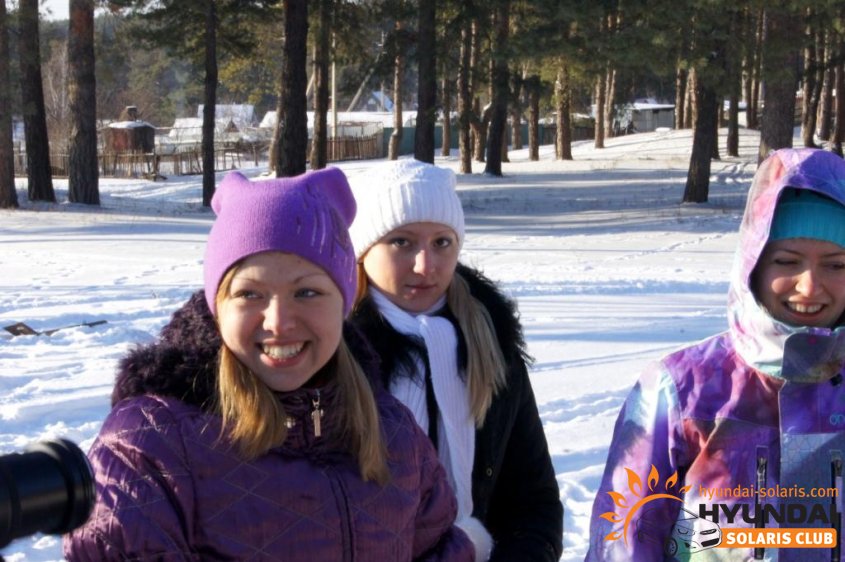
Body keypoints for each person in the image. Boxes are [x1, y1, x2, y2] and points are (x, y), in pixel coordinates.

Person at [63, 168, 474, 561]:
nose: (279, 322)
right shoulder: (150, 445)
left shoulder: (393, 431)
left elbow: (440, 549)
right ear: (218, 306)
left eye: (308, 292)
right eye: (250, 294)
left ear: (344, 303)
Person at [585, 147, 845, 561]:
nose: (809, 286)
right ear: (754, 264)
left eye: (836, 265)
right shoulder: (682, 389)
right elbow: (626, 536)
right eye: (787, 261)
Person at [346, 159, 563, 562]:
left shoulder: (490, 344)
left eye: (442, 243)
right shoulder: (332, 354)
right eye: (402, 242)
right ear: (363, 251)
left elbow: (532, 498)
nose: (425, 265)